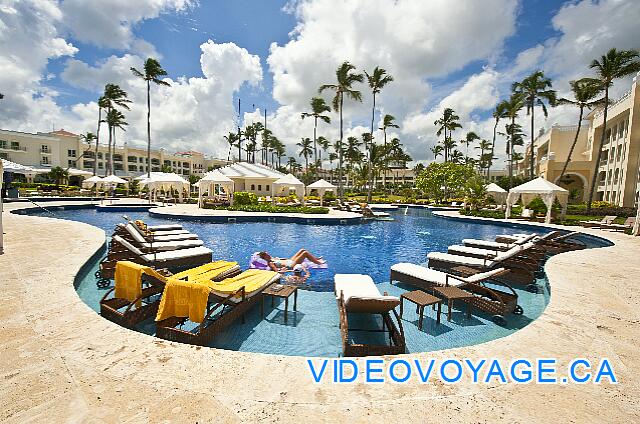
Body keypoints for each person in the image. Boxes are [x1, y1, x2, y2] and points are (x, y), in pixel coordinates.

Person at [258, 249, 325, 272]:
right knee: (305, 253)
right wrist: (283, 269)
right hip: (291, 265)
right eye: (267, 255)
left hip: (290, 260)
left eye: (268, 254)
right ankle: (318, 263)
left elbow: (282, 259)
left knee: (302, 250)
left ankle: (316, 259)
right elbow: (276, 271)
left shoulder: (272, 258)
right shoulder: (270, 263)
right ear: (265, 258)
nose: (268, 255)